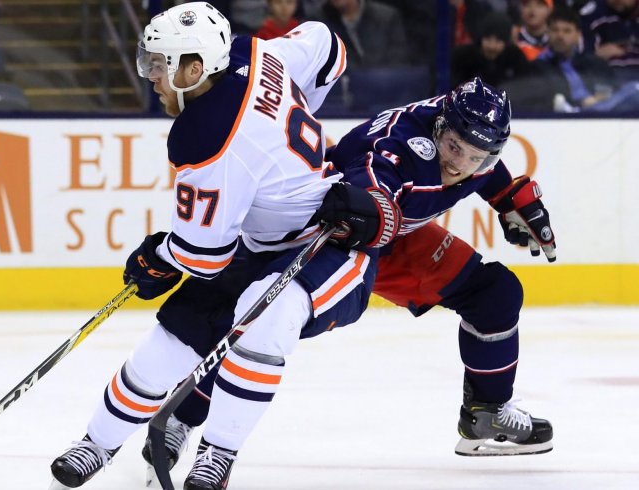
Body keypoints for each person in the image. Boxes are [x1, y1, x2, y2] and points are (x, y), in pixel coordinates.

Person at [47, 3, 400, 489]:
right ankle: (97, 443)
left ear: (195, 69)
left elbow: (202, 256)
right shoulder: (251, 52)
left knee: (263, 318)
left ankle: (218, 454)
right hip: (261, 245)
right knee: (171, 341)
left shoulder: (205, 133)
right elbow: (328, 47)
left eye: (160, 65)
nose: (152, 76)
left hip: (331, 247)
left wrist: (158, 259)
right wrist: (292, 112)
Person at [142, 77, 556, 477]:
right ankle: (184, 414)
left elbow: (486, 170)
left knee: (495, 294)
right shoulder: (400, 147)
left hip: (391, 235)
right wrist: (370, 207)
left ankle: (486, 413)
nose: (459, 164)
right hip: (332, 234)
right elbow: (372, 186)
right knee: (263, 325)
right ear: (440, 127)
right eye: (453, 148)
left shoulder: (469, 138)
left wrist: (510, 198)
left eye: (476, 157)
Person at [514, 7, 639, 112]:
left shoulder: (595, 63)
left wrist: (596, 99)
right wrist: (580, 102)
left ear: (578, 35)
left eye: (567, 31)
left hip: (604, 115)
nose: (560, 36)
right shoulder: (538, 67)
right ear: (548, 33)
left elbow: (611, 89)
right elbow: (541, 99)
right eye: (555, 30)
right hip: (565, 116)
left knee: (634, 89)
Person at [309, 0, 409, 69]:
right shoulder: (318, 22)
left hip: (386, 87)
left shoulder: (387, 17)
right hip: (342, 92)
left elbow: (398, 60)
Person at [452, 11, 529, 87]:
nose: (492, 46)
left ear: (506, 42)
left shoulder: (515, 57)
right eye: (488, 39)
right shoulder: (462, 57)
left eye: (498, 40)